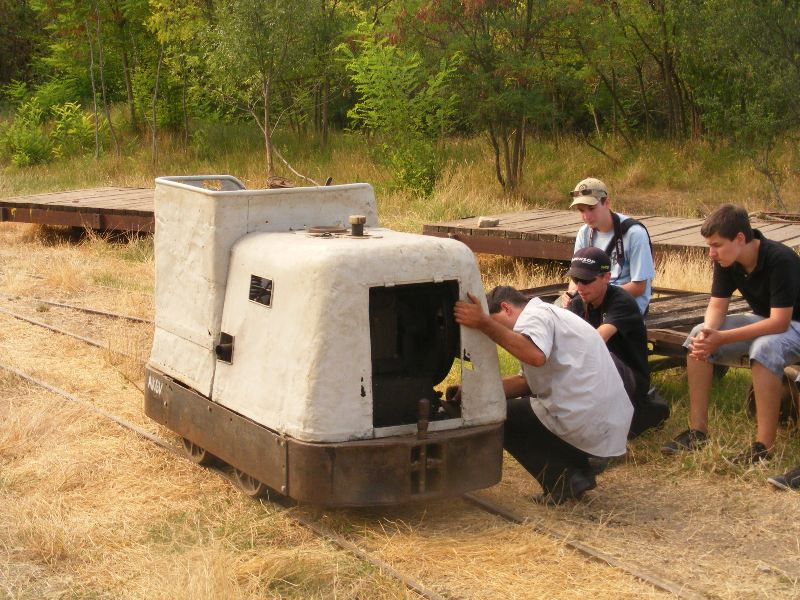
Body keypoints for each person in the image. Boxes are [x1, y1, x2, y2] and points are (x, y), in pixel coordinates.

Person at [452, 286, 632, 505]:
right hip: (600, 419)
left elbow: (535, 356)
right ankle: (576, 470)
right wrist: (476, 390)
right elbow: (525, 383)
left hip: (588, 418)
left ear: (506, 308)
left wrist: (485, 323)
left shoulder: (534, 316)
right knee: (511, 408)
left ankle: (564, 480)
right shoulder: (547, 315)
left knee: (497, 414)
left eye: (496, 321)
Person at [661, 204, 800, 465]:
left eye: (716, 245)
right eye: (709, 246)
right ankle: (697, 432)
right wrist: (710, 333)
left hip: (793, 323)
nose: (711, 253)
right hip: (769, 320)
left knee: (765, 347)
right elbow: (717, 305)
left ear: (739, 238)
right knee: (697, 336)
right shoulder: (727, 259)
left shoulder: (780, 258)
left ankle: (763, 448)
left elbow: (780, 322)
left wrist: (723, 339)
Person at [565, 247, 669, 438]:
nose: (580, 286)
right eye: (575, 280)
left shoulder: (622, 300)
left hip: (629, 379)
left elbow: (597, 340)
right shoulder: (577, 303)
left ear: (606, 277)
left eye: (587, 280)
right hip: (596, 376)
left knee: (602, 360)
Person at [559, 177, 655, 314]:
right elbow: (576, 275)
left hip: (625, 305)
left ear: (607, 203)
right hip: (593, 299)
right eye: (581, 210)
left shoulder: (635, 233)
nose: (586, 216)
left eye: (591, 208)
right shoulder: (584, 233)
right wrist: (571, 293)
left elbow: (640, 287)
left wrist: (599, 294)